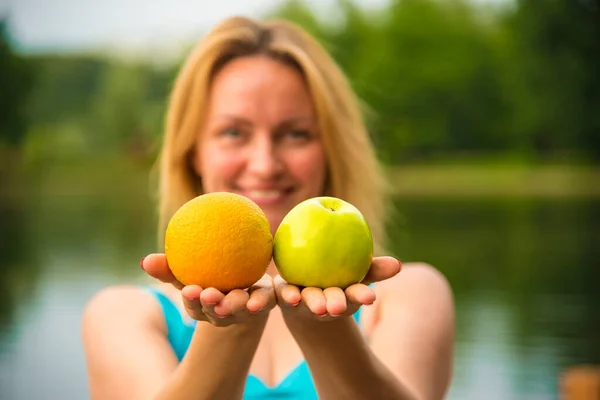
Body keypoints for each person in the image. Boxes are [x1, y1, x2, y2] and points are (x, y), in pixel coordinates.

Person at [82, 15, 455, 400]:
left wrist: (324, 329)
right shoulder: (123, 315)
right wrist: (231, 327)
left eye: (295, 134)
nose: (264, 164)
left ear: (332, 150)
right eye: (233, 133)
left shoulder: (407, 294)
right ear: (194, 152)